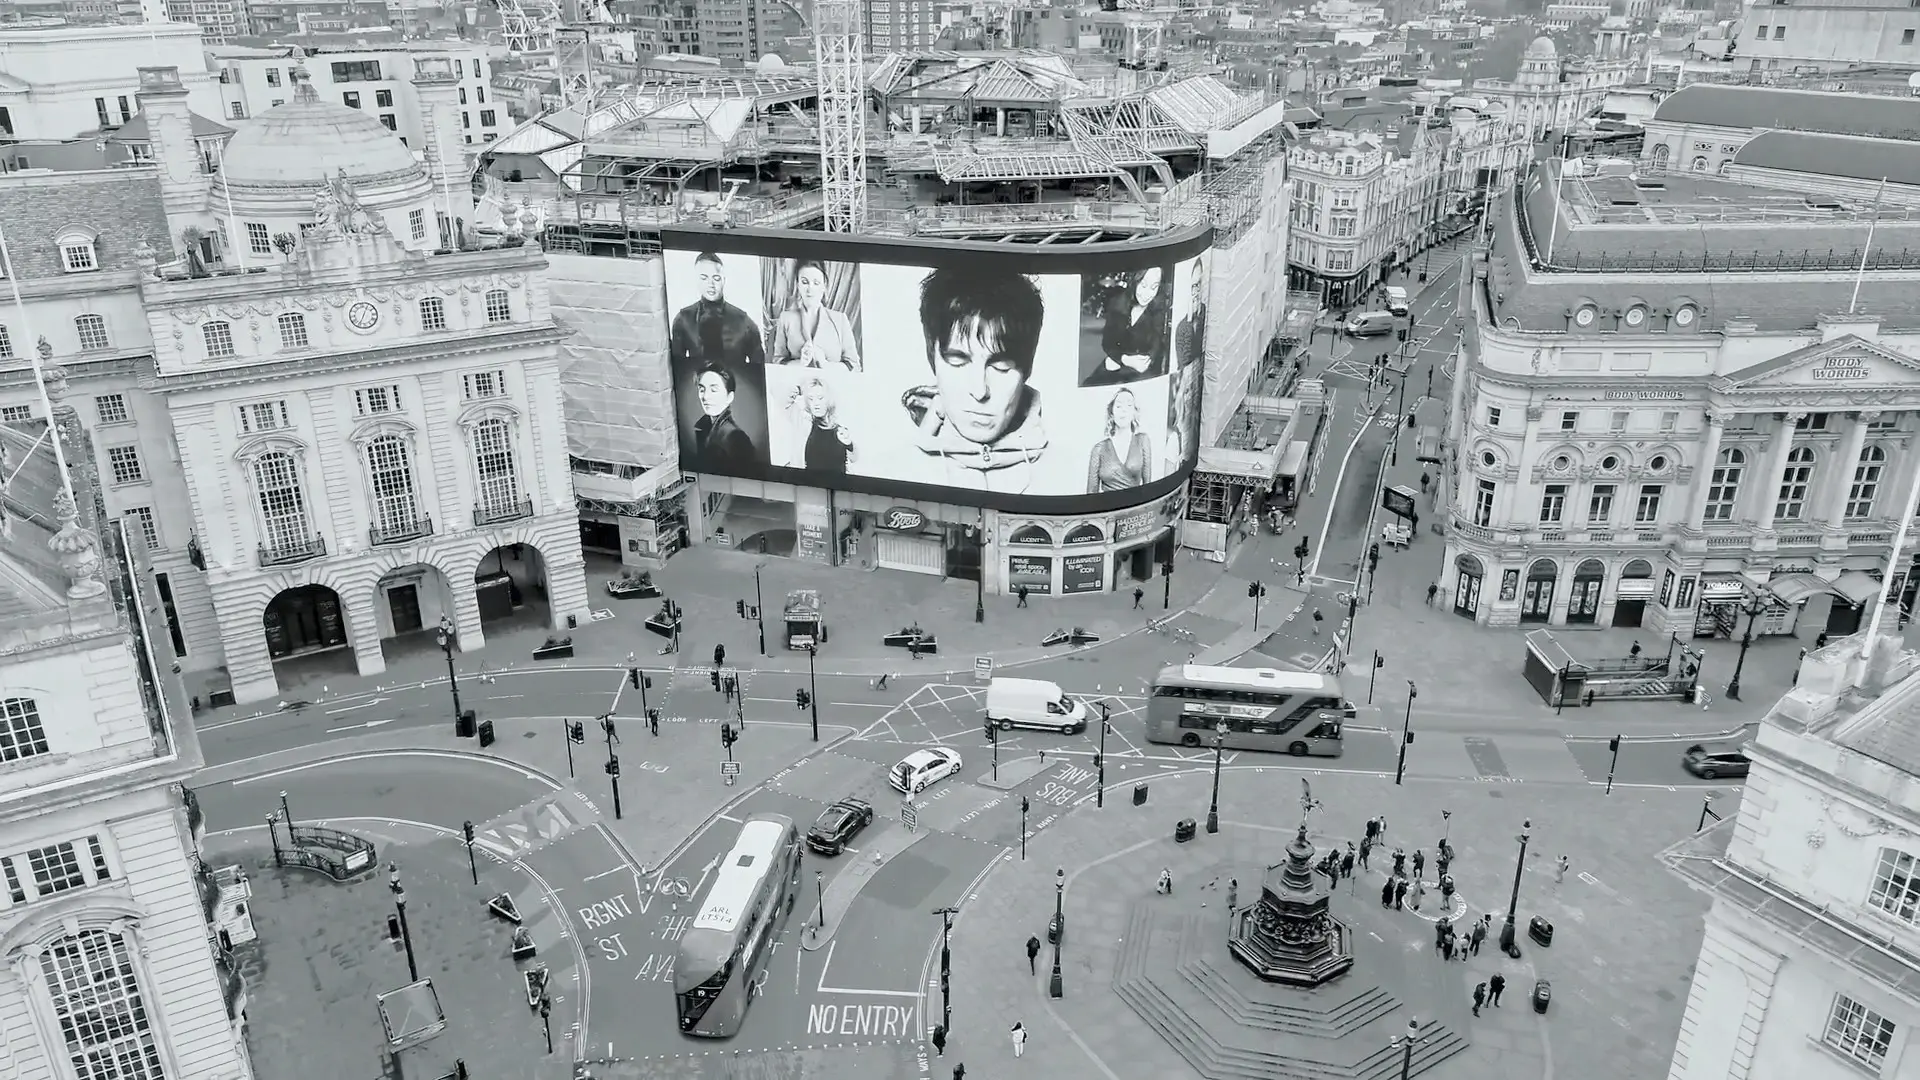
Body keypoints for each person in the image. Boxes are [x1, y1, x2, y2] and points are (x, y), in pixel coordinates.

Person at [895, 269, 1050, 492]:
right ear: (933, 360)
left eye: (1001, 366)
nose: (979, 391)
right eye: (958, 361)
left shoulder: (1071, 472)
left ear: (1028, 368)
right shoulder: (890, 470)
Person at [671, 251, 766, 368]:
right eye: (704, 278)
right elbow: (677, 368)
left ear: (724, 280)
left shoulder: (744, 321)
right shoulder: (683, 319)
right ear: (696, 280)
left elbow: (758, 369)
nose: (710, 284)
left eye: (716, 278)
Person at [771, 259, 861, 370]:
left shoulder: (840, 320)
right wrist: (800, 363)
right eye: (805, 282)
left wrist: (825, 364)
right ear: (797, 284)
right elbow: (777, 362)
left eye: (816, 283)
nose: (810, 289)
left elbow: (854, 366)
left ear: (824, 286)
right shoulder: (786, 319)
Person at [1089, 265, 1172, 385]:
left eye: (1154, 287)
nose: (1147, 293)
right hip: (1117, 362)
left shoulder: (1160, 311)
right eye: (1143, 286)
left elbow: (1156, 346)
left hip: (1142, 371)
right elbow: (1107, 343)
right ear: (1135, 281)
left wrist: (1147, 361)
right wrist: (1124, 359)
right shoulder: (1117, 304)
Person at [691, 364, 759, 473]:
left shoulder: (736, 437)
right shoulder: (703, 428)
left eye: (713, 390)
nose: (705, 397)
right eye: (702, 390)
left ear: (729, 397)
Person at [1087, 387, 1154, 493]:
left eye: (1129, 405)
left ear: (1134, 413)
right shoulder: (1099, 449)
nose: (1124, 410)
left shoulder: (1143, 441)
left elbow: (1148, 488)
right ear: (1112, 414)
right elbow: (1091, 494)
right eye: (1118, 406)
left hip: (1135, 507)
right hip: (1107, 508)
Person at [782, 375, 854, 473]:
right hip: (808, 484)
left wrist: (849, 443)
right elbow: (778, 393)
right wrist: (799, 388)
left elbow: (854, 459)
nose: (816, 403)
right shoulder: (802, 420)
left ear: (828, 399)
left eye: (820, 398)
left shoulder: (839, 428)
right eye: (811, 399)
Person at [1175, 257, 1208, 371]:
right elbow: (1184, 361)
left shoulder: (1203, 311)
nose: (1196, 291)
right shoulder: (1182, 327)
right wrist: (1189, 320)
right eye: (1193, 285)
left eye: (1199, 284)